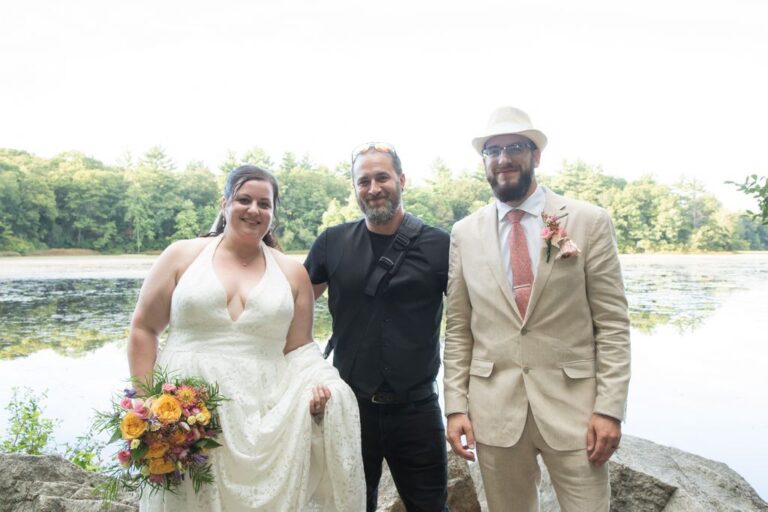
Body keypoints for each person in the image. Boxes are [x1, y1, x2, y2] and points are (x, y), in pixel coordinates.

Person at [127, 165, 365, 511]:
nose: (254, 210)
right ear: (224, 203)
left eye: (264, 204)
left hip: (261, 414)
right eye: (244, 199)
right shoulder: (181, 256)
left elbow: (299, 350)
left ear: (273, 213)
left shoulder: (292, 273)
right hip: (187, 416)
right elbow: (143, 330)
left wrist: (325, 387)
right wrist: (148, 407)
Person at [444, 107, 631, 512]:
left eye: (515, 147)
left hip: (576, 414)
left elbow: (613, 325)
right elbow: (459, 327)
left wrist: (610, 409)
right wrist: (455, 406)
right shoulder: (464, 233)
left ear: (536, 156)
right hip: (494, 412)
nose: (503, 159)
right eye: (492, 150)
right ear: (485, 162)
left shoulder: (588, 221)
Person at [304, 142, 450, 512]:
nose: (373, 188)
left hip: (417, 409)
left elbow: (472, 322)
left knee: (431, 507)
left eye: (382, 177)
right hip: (350, 409)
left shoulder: (439, 245)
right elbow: (291, 312)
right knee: (351, 506)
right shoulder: (331, 243)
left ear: (401, 179)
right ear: (354, 188)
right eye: (363, 180)